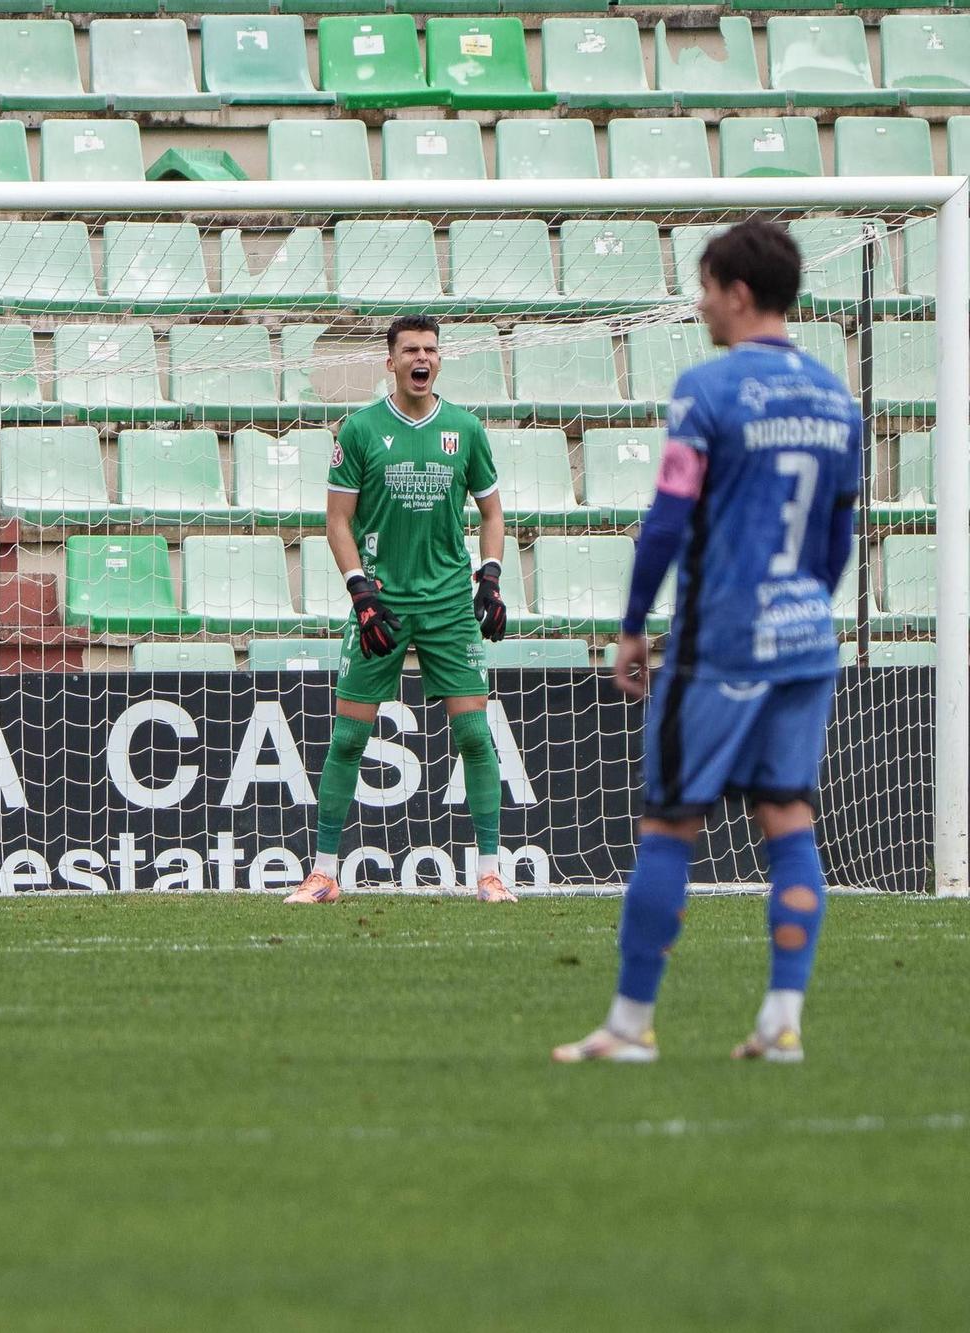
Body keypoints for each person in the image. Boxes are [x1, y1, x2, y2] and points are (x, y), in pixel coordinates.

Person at [554, 220, 860, 1064]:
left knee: (670, 824)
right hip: (806, 637)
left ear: (737, 291)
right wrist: (798, 607)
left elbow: (669, 516)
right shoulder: (839, 400)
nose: (699, 304)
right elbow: (839, 540)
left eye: (704, 287)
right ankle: (782, 1019)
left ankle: (628, 1024)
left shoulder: (707, 390)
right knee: (787, 814)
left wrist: (630, 624)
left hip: (720, 637)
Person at [287, 315, 513, 906]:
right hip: (381, 603)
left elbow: (492, 516)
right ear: (390, 361)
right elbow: (337, 520)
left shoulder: (464, 429)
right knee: (346, 740)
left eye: (431, 350)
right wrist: (359, 590)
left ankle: (489, 872)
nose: (422, 358)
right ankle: (323, 873)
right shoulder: (360, 429)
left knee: (473, 733)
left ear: (439, 361)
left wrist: (489, 578)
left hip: (446, 604)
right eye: (410, 350)